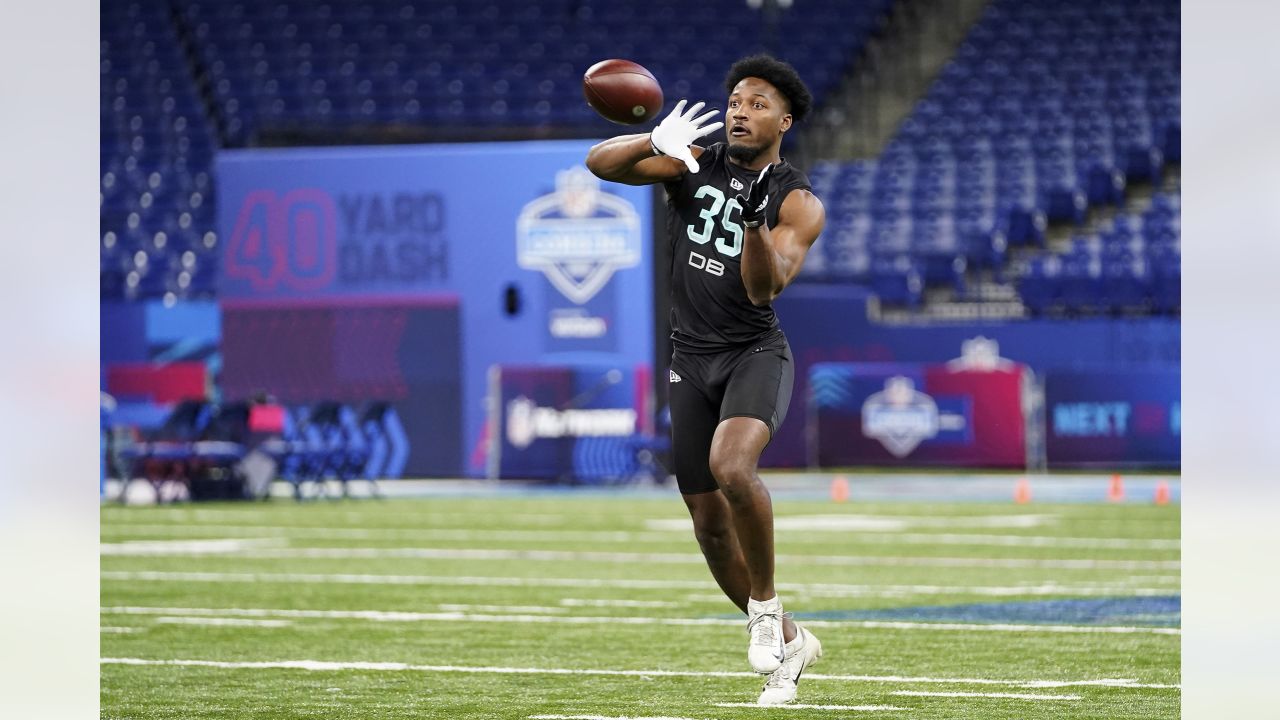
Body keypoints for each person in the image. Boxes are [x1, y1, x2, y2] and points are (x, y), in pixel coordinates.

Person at [585, 54, 826, 706]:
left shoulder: (798, 201)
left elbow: (762, 287)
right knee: (708, 525)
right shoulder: (695, 160)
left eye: (756, 103)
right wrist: (649, 140)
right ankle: (793, 644)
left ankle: (767, 609)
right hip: (688, 358)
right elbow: (599, 164)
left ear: (785, 119)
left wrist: (751, 219)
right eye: (734, 101)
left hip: (752, 352)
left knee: (731, 466)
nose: (740, 111)